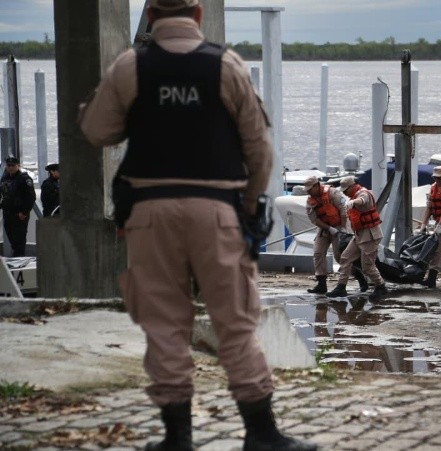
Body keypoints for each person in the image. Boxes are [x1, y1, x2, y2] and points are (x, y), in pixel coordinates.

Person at [77, 1, 316, 450]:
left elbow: (95, 131)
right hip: (217, 210)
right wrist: (248, 206)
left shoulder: (131, 67)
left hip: (149, 213)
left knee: (164, 324)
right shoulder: (226, 66)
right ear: (199, 14)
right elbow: (259, 150)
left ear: (149, 15)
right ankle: (262, 435)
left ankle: (177, 439)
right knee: (235, 322)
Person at [304, 175, 369, 294]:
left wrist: (343, 229)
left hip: (339, 226)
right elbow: (314, 219)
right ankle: (321, 284)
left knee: (340, 256)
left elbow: (343, 210)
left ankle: (360, 278)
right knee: (318, 253)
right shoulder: (310, 201)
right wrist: (328, 228)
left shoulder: (333, 193)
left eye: (310, 189)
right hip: (324, 228)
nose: (308, 191)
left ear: (317, 185)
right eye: (307, 190)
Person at [326, 176, 388, 298]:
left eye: (345, 190)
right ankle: (341, 287)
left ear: (353, 186)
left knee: (367, 267)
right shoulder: (353, 196)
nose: (344, 193)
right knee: (345, 258)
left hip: (370, 235)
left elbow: (362, 200)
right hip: (359, 234)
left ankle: (381, 286)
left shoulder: (363, 193)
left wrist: (353, 202)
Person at [0, 156, 35, 257]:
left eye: (13, 165)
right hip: (8, 213)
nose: (10, 167)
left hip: (19, 214)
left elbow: (30, 197)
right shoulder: (5, 177)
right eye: (8, 165)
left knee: (19, 241)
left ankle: (19, 263)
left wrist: (24, 212)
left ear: (18, 166)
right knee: (12, 240)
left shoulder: (24, 179)